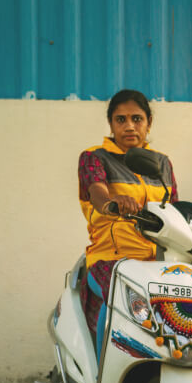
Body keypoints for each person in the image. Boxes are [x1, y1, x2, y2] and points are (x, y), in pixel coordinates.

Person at [77, 89, 177, 348]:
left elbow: (176, 213)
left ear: (148, 122)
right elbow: (97, 192)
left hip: (157, 261)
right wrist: (112, 202)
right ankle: (103, 379)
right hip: (111, 259)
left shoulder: (162, 163)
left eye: (137, 119)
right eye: (121, 120)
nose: (130, 126)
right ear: (111, 124)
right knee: (123, 300)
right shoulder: (94, 157)